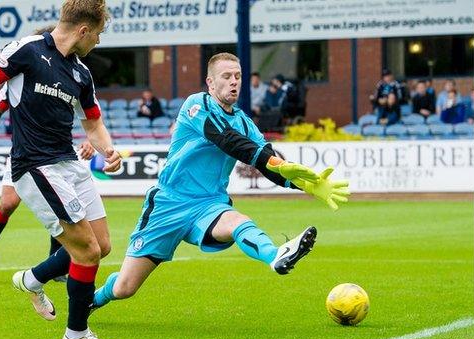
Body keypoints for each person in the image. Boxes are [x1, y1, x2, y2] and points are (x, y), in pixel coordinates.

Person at [89, 53, 350, 321]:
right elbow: (226, 140)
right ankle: (92, 299)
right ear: (210, 83)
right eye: (226, 76)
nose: (234, 82)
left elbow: (267, 161)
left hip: (209, 204)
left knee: (239, 221)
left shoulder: (244, 122)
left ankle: (276, 255)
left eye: (237, 76)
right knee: (124, 288)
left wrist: (308, 183)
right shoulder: (196, 105)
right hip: (169, 204)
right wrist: (272, 161)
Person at [0, 1, 121, 339]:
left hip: (69, 163)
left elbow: (93, 122)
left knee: (101, 247)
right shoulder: (28, 50)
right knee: (85, 251)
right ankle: (76, 337)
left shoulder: (81, 73)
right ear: (84, 31)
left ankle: (31, 279)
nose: (98, 42)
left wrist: (108, 150)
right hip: (35, 165)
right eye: (98, 34)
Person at [0, 82, 96, 284]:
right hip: (24, 154)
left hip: (58, 155)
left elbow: (89, 114)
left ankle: (55, 264)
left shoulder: (67, 76)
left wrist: (91, 139)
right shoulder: (16, 81)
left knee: (61, 205)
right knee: (8, 203)